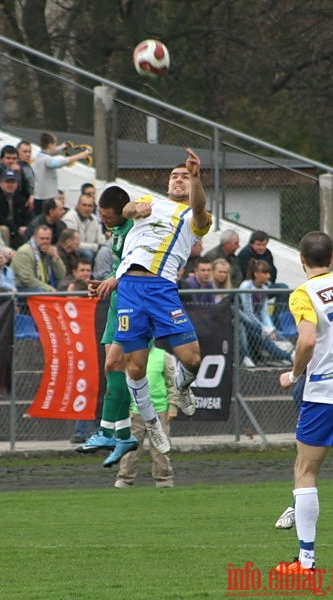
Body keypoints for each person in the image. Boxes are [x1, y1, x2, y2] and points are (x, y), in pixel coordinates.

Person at [113, 148, 212, 455]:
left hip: (162, 288)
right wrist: (134, 210)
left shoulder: (196, 215)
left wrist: (196, 179)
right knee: (136, 367)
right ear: (167, 184)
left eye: (184, 176)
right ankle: (151, 423)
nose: (178, 180)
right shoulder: (151, 202)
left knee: (193, 359)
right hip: (129, 285)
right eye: (174, 176)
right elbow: (125, 208)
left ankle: (181, 387)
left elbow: (199, 211)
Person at [275, 231, 333, 574]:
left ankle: (305, 561)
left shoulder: (303, 293)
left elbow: (307, 340)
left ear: (301, 259)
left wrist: (293, 374)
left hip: (325, 392)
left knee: (305, 471)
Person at [75, 185, 138, 464]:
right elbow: (119, 268)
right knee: (113, 367)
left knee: (118, 366)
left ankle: (109, 432)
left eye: (108, 216)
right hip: (116, 304)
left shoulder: (137, 231)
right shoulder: (116, 232)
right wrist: (106, 283)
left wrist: (117, 279)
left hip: (134, 305)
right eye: (101, 215)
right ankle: (122, 435)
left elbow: (141, 267)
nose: (104, 220)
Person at [114, 346, 178, 488]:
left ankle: (164, 479)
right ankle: (125, 479)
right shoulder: (129, 355)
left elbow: (172, 384)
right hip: (136, 411)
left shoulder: (163, 356)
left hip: (159, 409)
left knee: (160, 448)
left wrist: (172, 407)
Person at [239, 259, 293, 364]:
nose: (268, 276)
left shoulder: (264, 287)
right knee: (265, 336)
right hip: (246, 322)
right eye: (265, 273)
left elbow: (264, 312)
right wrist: (264, 329)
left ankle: (292, 352)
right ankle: (288, 356)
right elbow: (248, 312)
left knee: (275, 334)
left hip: (258, 323)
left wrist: (270, 329)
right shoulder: (246, 286)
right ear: (256, 274)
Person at [33, 132, 91, 215]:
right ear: (50, 145)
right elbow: (57, 163)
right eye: (54, 144)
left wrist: (62, 147)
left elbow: (51, 151)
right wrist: (79, 156)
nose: (55, 146)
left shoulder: (40, 155)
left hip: (43, 198)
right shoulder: (45, 160)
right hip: (45, 200)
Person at [238, 229, 289, 322]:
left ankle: (278, 321)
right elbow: (245, 275)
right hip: (249, 290)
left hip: (265, 286)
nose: (261, 247)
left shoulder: (267, 253)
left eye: (264, 245)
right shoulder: (244, 255)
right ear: (251, 244)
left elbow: (273, 271)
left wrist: (268, 282)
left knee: (283, 288)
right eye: (258, 245)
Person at [11, 224, 66, 292]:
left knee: (63, 285)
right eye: (42, 238)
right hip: (22, 288)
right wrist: (49, 288)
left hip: (44, 284)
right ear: (34, 238)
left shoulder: (51, 251)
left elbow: (61, 275)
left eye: (47, 238)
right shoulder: (24, 252)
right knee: (39, 290)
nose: (45, 241)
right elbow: (27, 280)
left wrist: (56, 257)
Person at [61, 193, 106, 263]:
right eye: (84, 205)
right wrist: (96, 246)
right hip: (75, 251)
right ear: (78, 205)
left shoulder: (95, 219)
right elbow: (74, 244)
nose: (87, 208)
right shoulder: (70, 218)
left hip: (92, 249)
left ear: (94, 207)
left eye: (90, 206)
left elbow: (100, 239)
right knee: (88, 253)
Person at [0, 169, 30, 248]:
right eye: (7, 182)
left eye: (13, 182)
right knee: (4, 229)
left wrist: (26, 227)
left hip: (16, 228)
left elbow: (27, 214)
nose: (10, 185)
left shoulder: (20, 197)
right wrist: (16, 228)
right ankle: (5, 255)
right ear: (0, 183)